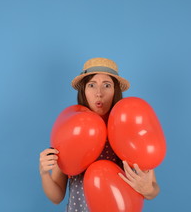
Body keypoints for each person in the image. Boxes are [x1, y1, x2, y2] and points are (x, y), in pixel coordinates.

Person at [39, 58, 160, 211]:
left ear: (115, 91)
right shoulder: (71, 130)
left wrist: (147, 189)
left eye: (107, 85)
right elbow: (56, 197)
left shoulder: (129, 128)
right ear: (84, 90)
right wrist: (44, 173)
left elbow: (153, 189)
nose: (98, 93)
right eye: (91, 85)